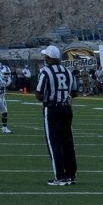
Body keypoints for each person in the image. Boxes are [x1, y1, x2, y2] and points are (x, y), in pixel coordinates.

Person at [34, 44, 78, 186]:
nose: (44, 57)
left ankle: (59, 177)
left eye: (45, 56)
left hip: (52, 109)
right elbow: (75, 92)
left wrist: (50, 98)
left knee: (55, 143)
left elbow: (39, 95)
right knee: (68, 142)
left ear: (49, 57)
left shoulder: (45, 72)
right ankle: (70, 175)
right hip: (67, 109)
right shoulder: (68, 71)